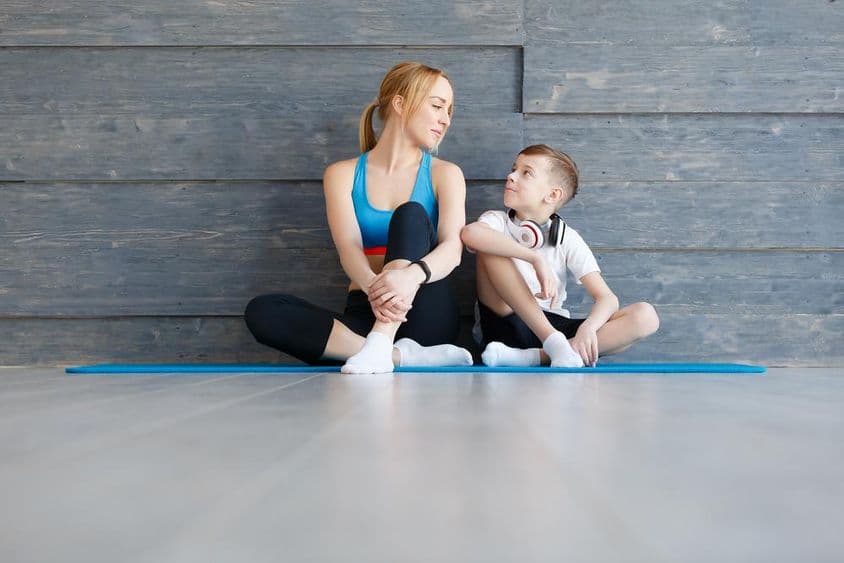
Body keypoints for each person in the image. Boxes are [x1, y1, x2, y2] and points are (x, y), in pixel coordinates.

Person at [245, 62, 473, 374]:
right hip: (365, 309)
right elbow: (350, 250)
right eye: (437, 106)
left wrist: (407, 278)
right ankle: (396, 355)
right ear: (400, 103)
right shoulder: (342, 175)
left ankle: (380, 344)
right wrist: (375, 289)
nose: (445, 120)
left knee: (410, 214)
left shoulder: (445, 174)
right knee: (263, 312)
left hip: (424, 310)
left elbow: (452, 250)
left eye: (449, 110)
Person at [460, 144, 659, 368]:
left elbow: (607, 298)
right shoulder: (496, 221)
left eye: (526, 173)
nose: (511, 176)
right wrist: (534, 258)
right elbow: (470, 233)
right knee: (489, 244)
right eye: (514, 168)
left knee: (645, 316)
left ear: (553, 195)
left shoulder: (566, 237)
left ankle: (537, 357)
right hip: (507, 324)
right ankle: (554, 345)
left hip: (555, 326)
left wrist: (589, 328)